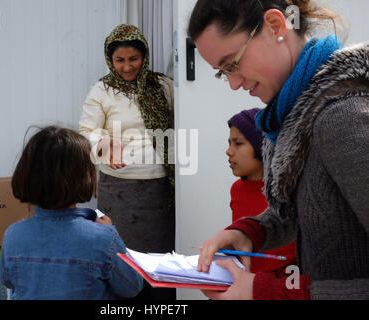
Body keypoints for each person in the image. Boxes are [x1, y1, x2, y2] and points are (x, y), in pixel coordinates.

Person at [188, 0, 369, 299]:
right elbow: (308, 214)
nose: (233, 84)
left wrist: (270, 292)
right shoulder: (286, 117)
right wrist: (249, 232)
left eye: (233, 63)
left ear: (274, 26)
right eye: (222, 72)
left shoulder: (342, 115)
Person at [79, 24, 175, 300]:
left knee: (157, 260)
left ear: (144, 56)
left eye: (133, 59)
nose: (127, 67)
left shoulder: (163, 86)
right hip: (118, 189)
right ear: (110, 60)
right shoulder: (102, 91)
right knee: (121, 257)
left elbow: (182, 122)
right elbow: (86, 132)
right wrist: (105, 143)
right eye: (120, 60)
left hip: (158, 188)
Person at [0, 126, 143, 300]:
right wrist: (111, 232)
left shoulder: (13, 235)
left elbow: (7, 281)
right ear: (84, 177)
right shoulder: (103, 239)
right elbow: (132, 286)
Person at [226, 108, 296, 274]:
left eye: (238, 143)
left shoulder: (288, 190)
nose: (228, 151)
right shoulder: (237, 189)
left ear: (262, 145)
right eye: (229, 143)